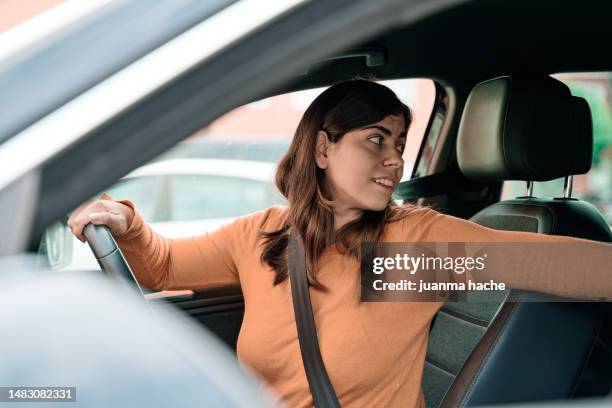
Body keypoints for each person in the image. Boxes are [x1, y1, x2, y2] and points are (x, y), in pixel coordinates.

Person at [67, 79, 612, 408]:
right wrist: (122, 220)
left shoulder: (408, 249)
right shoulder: (263, 235)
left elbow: (544, 263)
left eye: (400, 143)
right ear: (323, 149)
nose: (396, 160)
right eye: (376, 139)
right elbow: (161, 267)